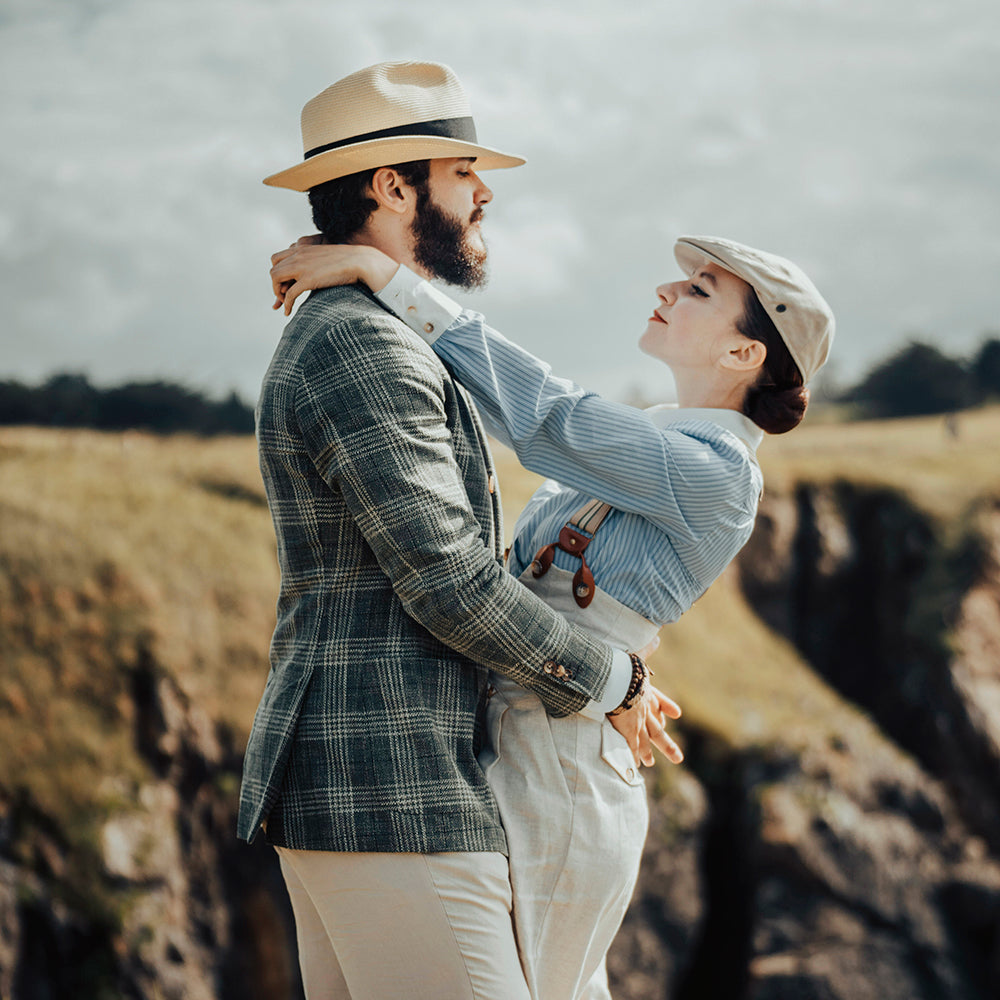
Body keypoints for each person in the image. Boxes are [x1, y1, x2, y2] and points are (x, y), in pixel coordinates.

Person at [266, 233, 835, 1000]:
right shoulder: (660, 438)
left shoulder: (717, 472)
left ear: (744, 354)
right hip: (522, 735)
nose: (667, 291)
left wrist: (390, 278)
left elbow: (548, 418)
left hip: (564, 773)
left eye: (700, 292)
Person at [237, 60, 680, 1000]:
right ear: (393, 187)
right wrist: (613, 681)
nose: (484, 192)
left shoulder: (365, 325)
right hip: (387, 784)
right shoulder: (360, 343)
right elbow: (448, 581)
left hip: (376, 783)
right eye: (463, 170)